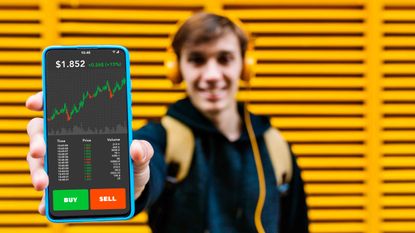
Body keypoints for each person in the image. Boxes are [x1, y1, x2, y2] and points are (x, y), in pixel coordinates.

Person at [26, 12, 309, 233]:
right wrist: (131, 183)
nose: (212, 74)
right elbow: (146, 165)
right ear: (177, 69)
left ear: (244, 66)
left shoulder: (274, 145)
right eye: (197, 60)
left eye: (224, 59)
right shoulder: (162, 137)